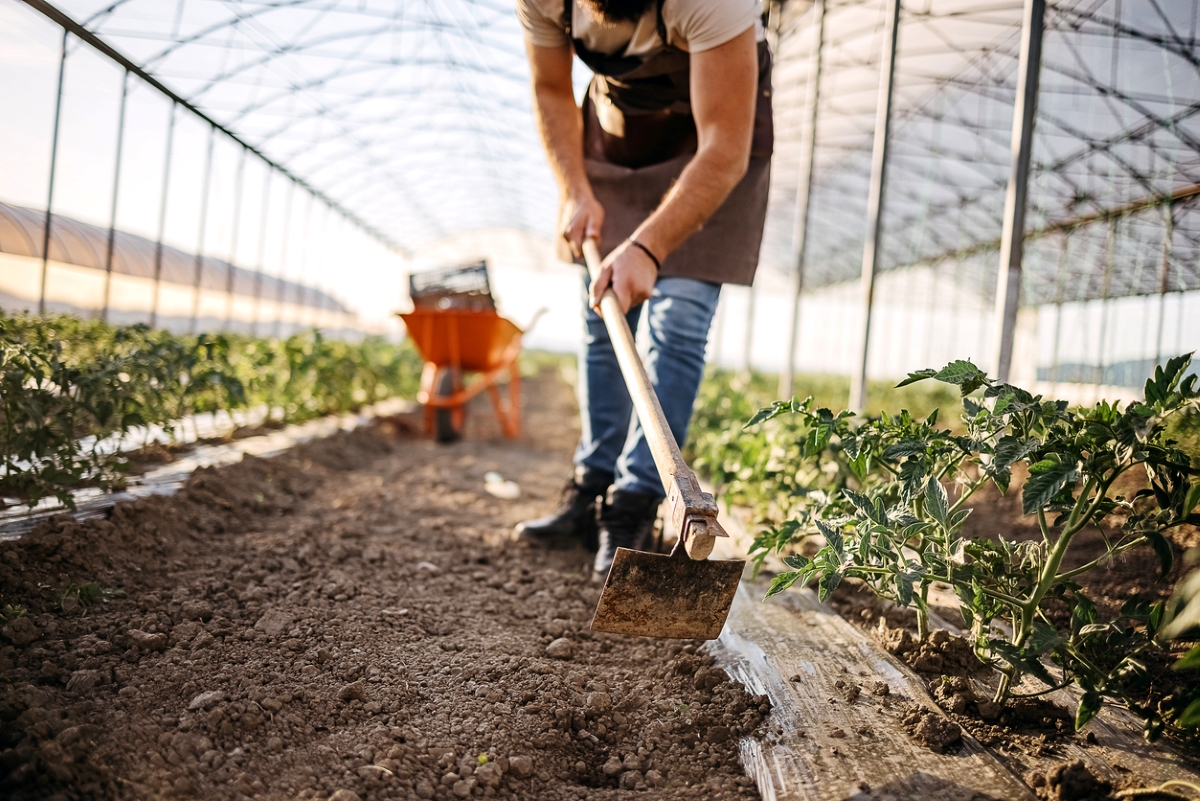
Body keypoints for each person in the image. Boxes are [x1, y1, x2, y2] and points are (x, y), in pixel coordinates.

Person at [513, 0, 773, 577]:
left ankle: (631, 507)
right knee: (603, 316)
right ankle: (591, 489)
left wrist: (649, 247)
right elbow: (552, 89)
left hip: (713, 148)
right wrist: (575, 188)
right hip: (617, 135)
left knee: (678, 319)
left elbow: (724, 149)